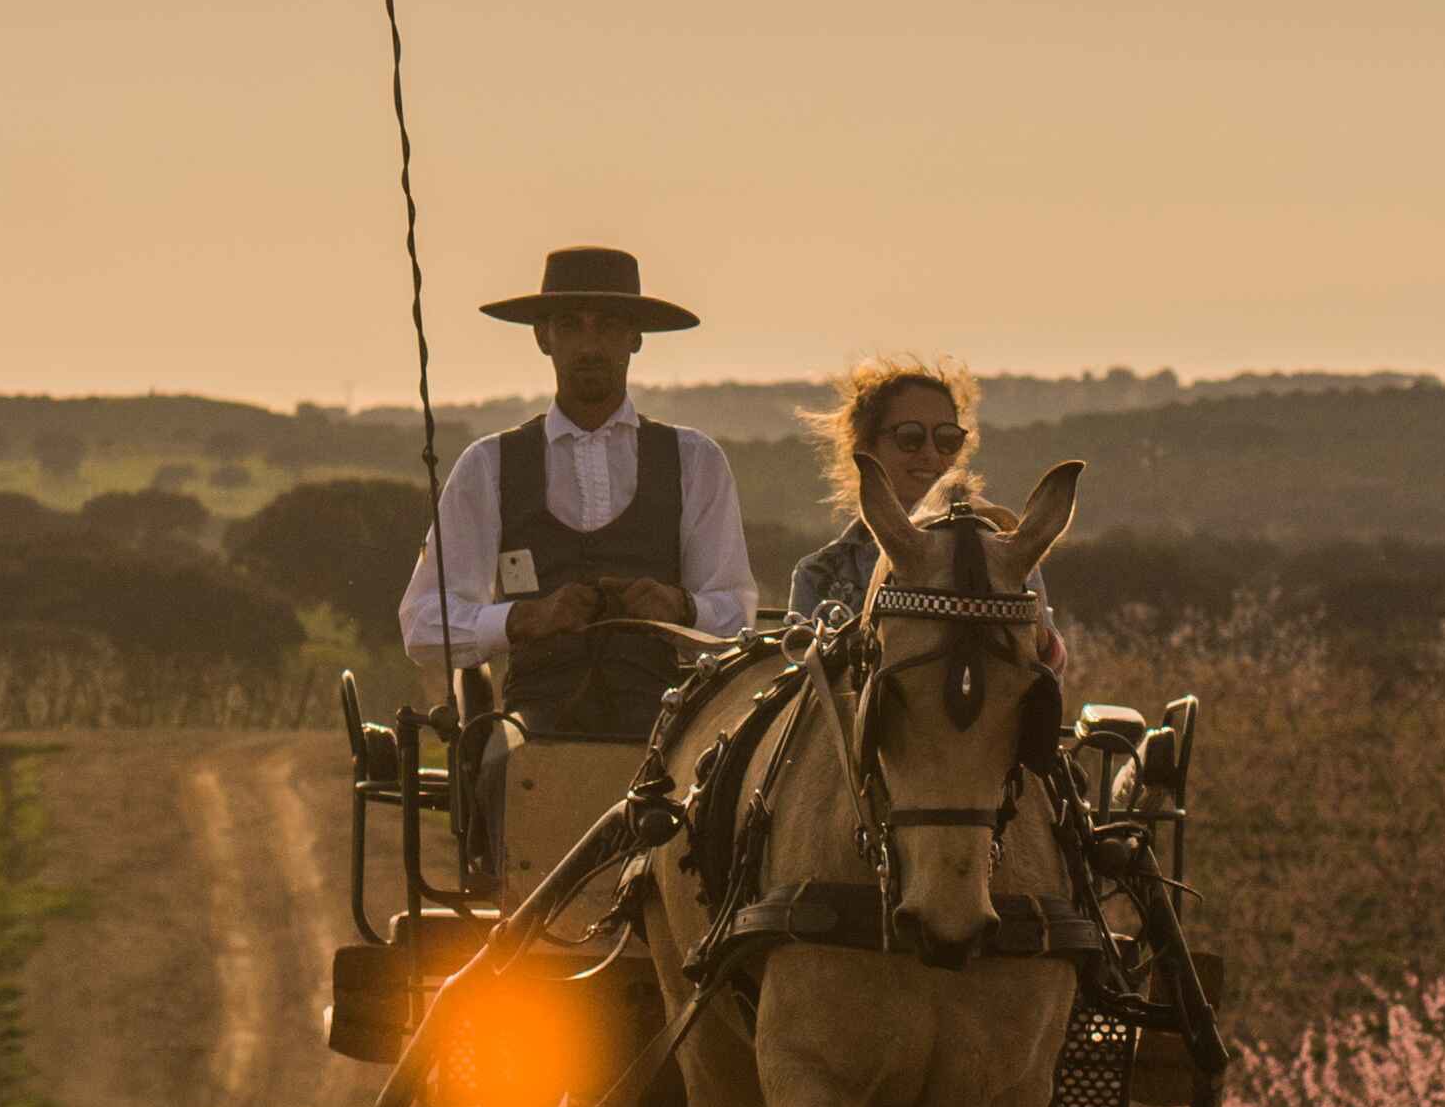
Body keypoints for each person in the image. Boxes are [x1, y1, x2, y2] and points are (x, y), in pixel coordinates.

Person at [399, 241, 758, 743]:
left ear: (634, 338)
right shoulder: (488, 466)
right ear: (543, 338)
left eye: (608, 325)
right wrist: (525, 618)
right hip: (533, 726)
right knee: (514, 773)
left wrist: (679, 608)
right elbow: (422, 623)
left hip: (666, 724)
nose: (590, 346)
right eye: (571, 325)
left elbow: (735, 613)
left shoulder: (696, 461)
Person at [787, 351, 1062, 660]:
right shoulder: (822, 574)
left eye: (946, 438)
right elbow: (808, 694)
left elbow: (1045, 673)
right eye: (910, 437)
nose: (930, 453)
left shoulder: (1004, 551)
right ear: (865, 446)